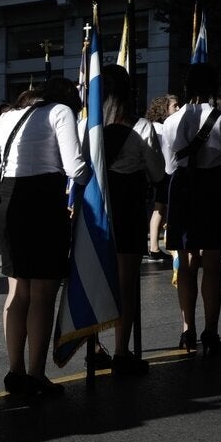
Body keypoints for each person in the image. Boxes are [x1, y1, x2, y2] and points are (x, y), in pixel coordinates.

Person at [0, 78, 87, 397]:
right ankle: (36, 373)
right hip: (44, 199)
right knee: (42, 293)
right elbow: (75, 168)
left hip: (9, 199)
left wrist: (7, 175)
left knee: (17, 289)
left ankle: (16, 371)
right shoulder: (61, 112)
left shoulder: (9, 115)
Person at [161, 63, 221, 355]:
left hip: (183, 188)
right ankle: (211, 331)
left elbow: (169, 166)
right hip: (215, 189)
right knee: (212, 265)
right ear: (213, 88)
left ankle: (188, 330)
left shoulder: (171, 122)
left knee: (186, 265)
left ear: (187, 87)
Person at [99, 64, 164, 375]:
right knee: (126, 283)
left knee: (96, 276)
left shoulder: (89, 126)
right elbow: (158, 172)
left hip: (98, 205)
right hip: (127, 204)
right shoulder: (142, 127)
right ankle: (121, 351)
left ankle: (93, 346)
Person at [145, 94, 180, 261]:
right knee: (161, 208)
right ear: (163, 109)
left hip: (160, 171)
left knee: (160, 208)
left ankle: (154, 246)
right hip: (165, 172)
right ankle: (155, 246)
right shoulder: (161, 128)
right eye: (175, 106)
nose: (178, 109)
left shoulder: (155, 126)